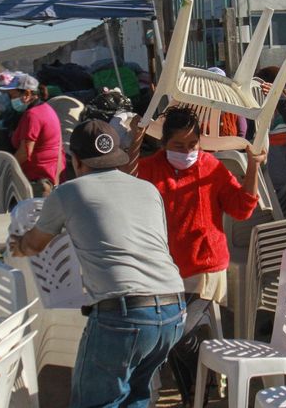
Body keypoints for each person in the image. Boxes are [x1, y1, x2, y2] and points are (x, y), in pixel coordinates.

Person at [10, 119, 186, 408]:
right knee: (136, 396)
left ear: (76, 160)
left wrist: (17, 245)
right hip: (172, 312)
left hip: (124, 315)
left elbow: (34, 244)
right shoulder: (148, 190)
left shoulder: (68, 192)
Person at [130, 106, 262, 406]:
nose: (187, 151)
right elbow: (125, 185)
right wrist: (135, 140)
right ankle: (196, 390)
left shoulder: (212, 167)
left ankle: (201, 387)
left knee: (174, 332)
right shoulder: (151, 168)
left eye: (193, 145)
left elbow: (242, 208)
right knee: (167, 334)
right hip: (164, 270)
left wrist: (253, 167)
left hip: (205, 267)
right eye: (178, 146)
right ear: (163, 144)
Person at [0, 73, 64, 196]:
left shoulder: (32, 115)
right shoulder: (46, 108)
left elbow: (25, 152)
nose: (11, 100)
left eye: (12, 96)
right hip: (52, 172)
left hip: (39, 179)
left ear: (27, 94)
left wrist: (5, 171)